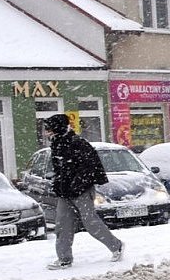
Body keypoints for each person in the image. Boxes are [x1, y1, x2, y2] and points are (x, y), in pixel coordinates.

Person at [43, 113, 123, 269]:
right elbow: (60, 170)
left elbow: (91, 167)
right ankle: (64, 259)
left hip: (82, 192)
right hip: (64, 192)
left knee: (90, 223)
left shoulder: (78, 143)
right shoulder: (57, 144)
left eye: (49, 129)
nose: (47, 133)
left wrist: (77, 185)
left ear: (58, 128)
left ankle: (116, 246)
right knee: (62, 226)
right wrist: (58, 183)